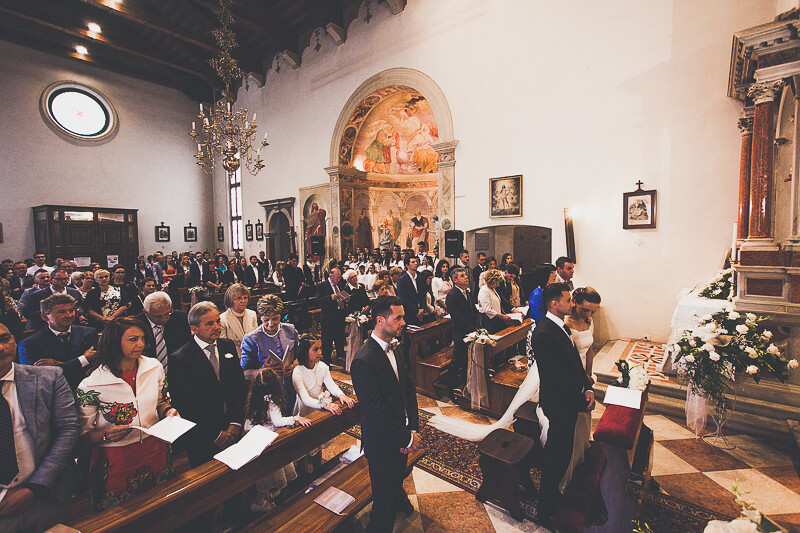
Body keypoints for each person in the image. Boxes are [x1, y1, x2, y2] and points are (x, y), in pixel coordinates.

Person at [76, 317, 179, 511]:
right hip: (117, 458)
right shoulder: (91, 385)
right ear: (114, 342)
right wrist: (105, 435)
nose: (140, 344)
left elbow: (160, 401)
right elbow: (83, 434)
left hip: (155, 447)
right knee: (122, 515)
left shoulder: (154, 367)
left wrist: (168, 411)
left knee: (161, 507)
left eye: (142, 338)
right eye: (132, 339)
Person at [0, 323, 80, 533]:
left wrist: (35, 487)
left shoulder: (49, 378)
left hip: (45, 496)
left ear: (14, 341)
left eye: (5, 338)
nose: (1, 347)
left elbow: (68, 430)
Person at [350, 296, 420, 532]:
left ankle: (398, 498)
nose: (403, 322)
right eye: (398, 317)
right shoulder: (363, 360)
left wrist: (412, 428)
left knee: (397, 478)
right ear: (380, 320)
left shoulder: (395, 346)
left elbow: (408, 388)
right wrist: (406, 438)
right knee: (382, 508)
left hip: (400, 433)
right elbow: (375, 411)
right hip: (381, 443)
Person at [532, 283, 595, 523]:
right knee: (556, 457)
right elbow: (557, 376)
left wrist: (587, 386)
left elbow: (574, 363)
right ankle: (545, 507)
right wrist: (581, 399)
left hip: (569, 400)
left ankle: (553, 496)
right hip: (559, 404)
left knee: (564, 453)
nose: (572, 304)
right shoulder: (544, 332)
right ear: (554, 304)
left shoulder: (560, 328)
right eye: (568, 300)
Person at [169, 301, 247, 467]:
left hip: (232, 427)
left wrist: (235, 423)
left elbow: (239, 387)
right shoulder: (181, 358)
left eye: (218, 321)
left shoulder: (227, 346)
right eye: (210, 323)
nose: (217, 327)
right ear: (194, 328)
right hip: (203, 435)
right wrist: (215, 434)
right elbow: (185, 404)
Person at [244, 367, 310, 513]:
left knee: (264, 474)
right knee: (270, 472)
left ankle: (266, 495)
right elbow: (278, 421)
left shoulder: (254, 397)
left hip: (255, 437)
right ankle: (259, 503)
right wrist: (296, 418)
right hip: (267, 441)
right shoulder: (272, 400)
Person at [18, 293, 97, 389]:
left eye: (71, 310)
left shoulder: (89, 333)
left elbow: (96, 365)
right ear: (45, 317)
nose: (69, 315)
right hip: (53, 392)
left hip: (88, 386)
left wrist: (59, 365)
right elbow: (38, 377)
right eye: (62, 312)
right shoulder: (29, 344)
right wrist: (83, 359)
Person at [240, 295, 299, 413]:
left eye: (275, 319)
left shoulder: (290, 330)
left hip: (291, 385)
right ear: (260, 317)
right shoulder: (251, 339)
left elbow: (298, 357)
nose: (271, 324)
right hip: (266, 391)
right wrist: (262, 371)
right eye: (266, 319)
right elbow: (244, 372)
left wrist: (293, 366)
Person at [292, 334, 355, 417]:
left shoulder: (322, 366)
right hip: (306, 408)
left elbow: (331, 385)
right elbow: (305, 399)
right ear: (305, 352)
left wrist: (341, 395)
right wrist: (325, 405)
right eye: (315, 350)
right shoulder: (298, 372)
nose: (320, 352)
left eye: (320, 348)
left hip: (321, 404)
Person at [134, 291, 191, 373]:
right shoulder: (136, 324)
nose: (164, 319)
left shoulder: (181, 319)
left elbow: (186, 345)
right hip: (147, 371)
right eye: (158, 316)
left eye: (167, 314)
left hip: (177, 370)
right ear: (146, 313)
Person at [443, 267, 479, 392]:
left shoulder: (467, 292)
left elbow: (473, 310)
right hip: (460, 332)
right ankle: (450, 387)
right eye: (462, 276)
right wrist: (472, 328)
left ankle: (465, 382)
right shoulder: (452, 295)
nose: (466, 277)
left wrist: (477, 326)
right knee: (457, 359)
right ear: (455, 280)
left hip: (471, 330)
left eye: (465, 275)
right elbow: (458, 317)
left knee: (466, 358)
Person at [316, 267, 347, 366]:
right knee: (327, 341)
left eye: (339, 278)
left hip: (339, 316)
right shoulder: (323, 285)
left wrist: (346, 299)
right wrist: (330, 297)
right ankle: (327, 361)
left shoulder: (340, 285)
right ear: (331, 276)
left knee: (339, 338)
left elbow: (342, 295)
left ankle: (340, 357)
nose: (338, 280)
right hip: (328, 317)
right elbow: (318, 300)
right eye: (337, 278)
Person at [220, 283, 258, 358]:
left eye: (245, 298)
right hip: (234, 358)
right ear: (231, 300)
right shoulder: (223, 319)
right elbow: (223, 347)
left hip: (253, 356)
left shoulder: (252, 314)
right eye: (239, 298)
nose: (243, 301)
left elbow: (256, 338)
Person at [477, 269, 515, 334]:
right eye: (497, 283)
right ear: (492, 281)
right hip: (489, 321)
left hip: (496, 319)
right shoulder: (484, 290)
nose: (498, 285)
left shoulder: (492, 289)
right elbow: (487, 310)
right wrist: (502, 316)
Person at [396, 256, 424, 326]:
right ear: (407, 265)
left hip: (420, 312)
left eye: (416, 262)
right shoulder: (402, 280)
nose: (416, 263)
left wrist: (422, 308)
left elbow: (423, 294)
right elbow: (403, 298)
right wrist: (416, 311)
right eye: (413, 262)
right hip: (409, 312)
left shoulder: (419, 277)